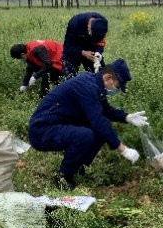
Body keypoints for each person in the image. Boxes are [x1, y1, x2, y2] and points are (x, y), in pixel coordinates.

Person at [28, 58, 146, 188]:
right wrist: (123, 149)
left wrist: (127, 117)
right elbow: (98, 121)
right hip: (42, 131)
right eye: (117, 86)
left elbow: (105, 109)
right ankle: (63, 177)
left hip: (59, 125)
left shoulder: (95, 84)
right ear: (108, 78)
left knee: (99, 133)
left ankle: (76, 168)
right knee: (86, 135)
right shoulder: (87, 87)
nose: (116, 90)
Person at [62, 12, 108, 78]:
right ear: (88, 28)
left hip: (90, 47)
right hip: (74, 48)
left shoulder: (102, 23)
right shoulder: (75, 23)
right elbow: (68, 47)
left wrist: (98, 52)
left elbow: (101, 42)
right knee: (70, 78)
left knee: (101, 76)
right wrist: (83, 53)